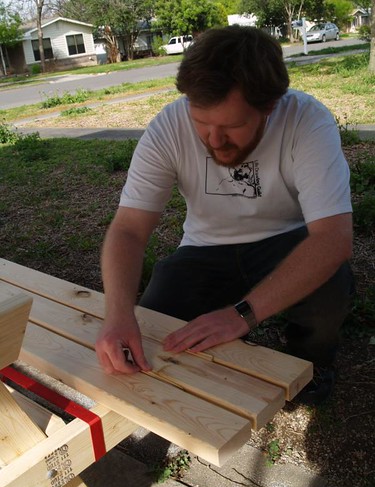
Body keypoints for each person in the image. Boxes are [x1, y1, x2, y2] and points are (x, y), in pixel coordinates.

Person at [95, 26, 354, 405]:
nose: (214, 141)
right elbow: (130, 229)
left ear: (269, 106)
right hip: (205, 248)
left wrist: (241, 316)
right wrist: (117, 314)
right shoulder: (168, 126)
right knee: (154, 322)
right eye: (202, 123)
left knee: (330, 289)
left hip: (287, 242)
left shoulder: (306, 121)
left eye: (231, 126)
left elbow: (333, 238)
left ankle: (311, 363)